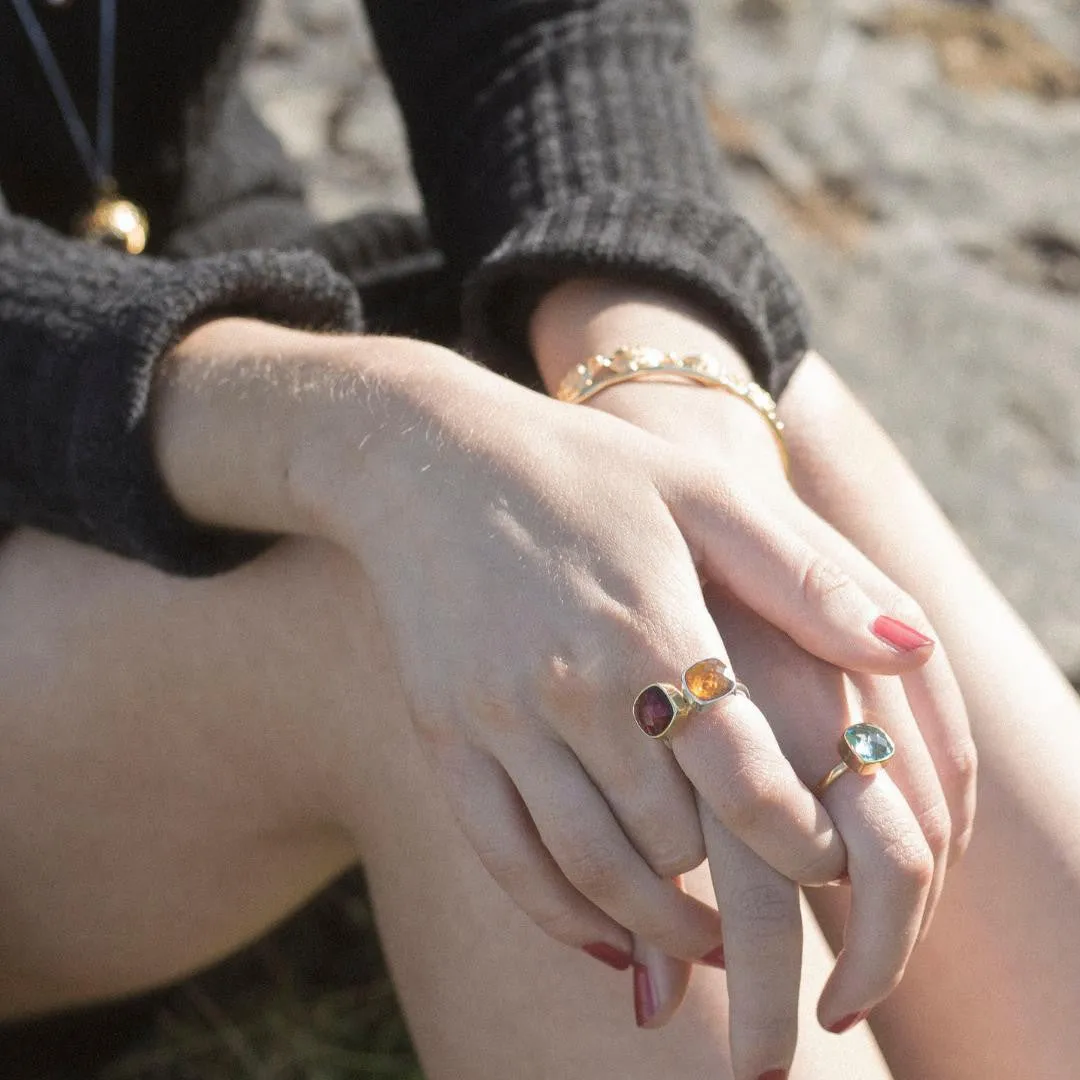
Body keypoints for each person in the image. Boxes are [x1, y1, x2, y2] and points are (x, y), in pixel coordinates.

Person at [1, 2, 1077, 1079]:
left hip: (218, 325)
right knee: (430, 575)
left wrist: (669, 396)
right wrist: (370, 444)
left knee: (742, 435)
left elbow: (535, 25)